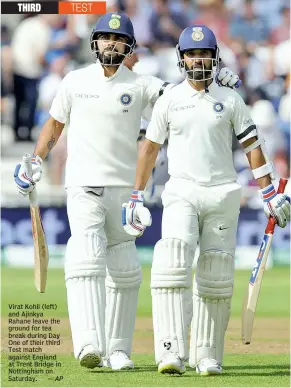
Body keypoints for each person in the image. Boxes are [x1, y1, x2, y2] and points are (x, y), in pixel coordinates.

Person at [14, 13, 241, 372]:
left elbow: (183, 97)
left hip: (125, 193)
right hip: (83, 185)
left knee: (124, 268)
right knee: (87, 254)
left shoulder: (143, 86)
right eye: (105, 38)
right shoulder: (74, 82)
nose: (111, 44)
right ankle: (89, 343)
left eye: (118, 40)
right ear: (94, 41)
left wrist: (217, 80)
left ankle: (118, 350)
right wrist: (35, 159)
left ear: (130, 47)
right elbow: (55, 124)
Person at [122, 25, 290, 375]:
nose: (198, 60)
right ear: (181, 58)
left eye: (204, 54)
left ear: (215, 57)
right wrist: (136, 196)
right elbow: (149, 149)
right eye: (191, 54)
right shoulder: (169, 99)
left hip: (222, 193)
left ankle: (207, 356)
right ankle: (170, 351)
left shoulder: (231, 100)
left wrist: (269, 192)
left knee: (216, 275)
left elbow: (252, 148)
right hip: (181, 191)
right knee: (172, 264)